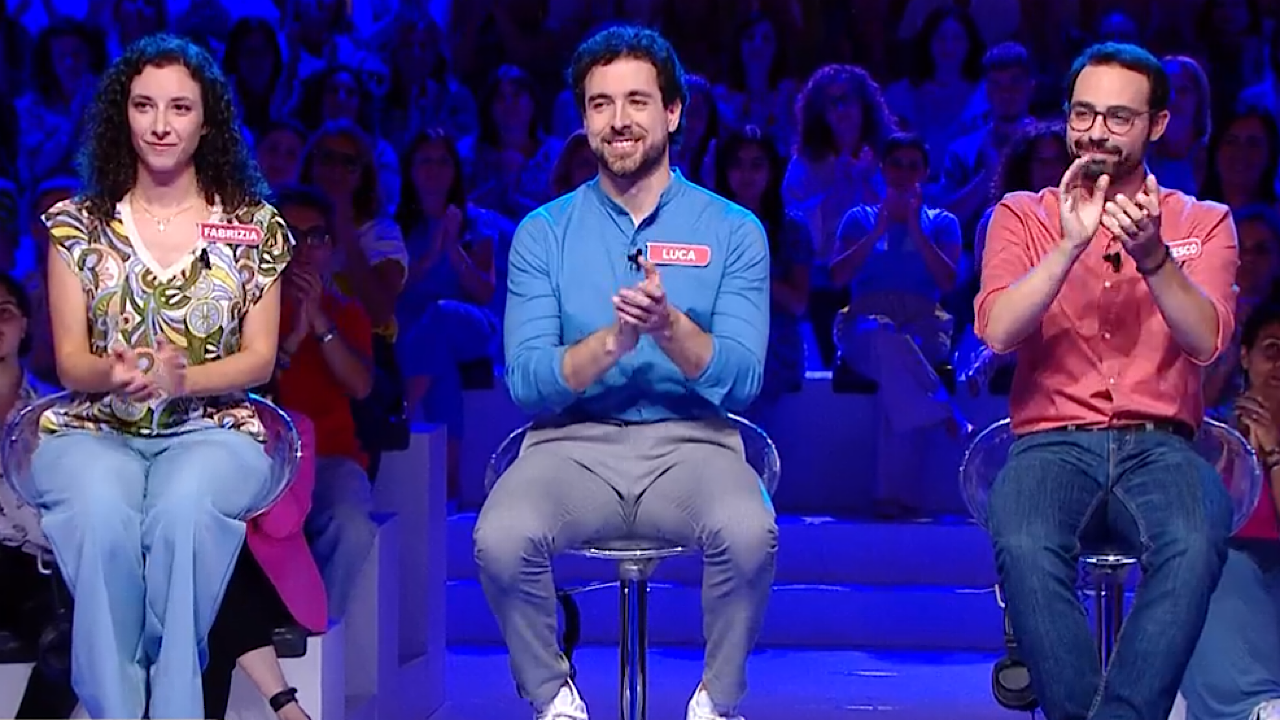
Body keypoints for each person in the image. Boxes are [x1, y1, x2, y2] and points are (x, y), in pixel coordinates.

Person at [473, 25, 777, 720]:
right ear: (583, 120)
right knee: (499, 538)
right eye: (600, 104)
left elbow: (742, 378)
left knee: (750, 532)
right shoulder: (543, 234)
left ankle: (717, 701)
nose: (618, 120)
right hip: (570, 447)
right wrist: (613, 342)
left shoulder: (734, 231)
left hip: (694, 445)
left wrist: (669, 328)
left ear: (673, 112)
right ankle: (553, 697)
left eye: (637, 101)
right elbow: (527, 382)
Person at [30, 34, 291, 719]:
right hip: (97, 428)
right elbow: (70, 361)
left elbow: (259, 359)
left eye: (179, 107)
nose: (161, 124)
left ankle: (175, 704)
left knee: (183, 512)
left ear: (207, 121)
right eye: (144, 106)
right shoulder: (77, 226)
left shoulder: (254, 228)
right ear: (123, 115)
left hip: (213, 428)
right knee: (99, 514)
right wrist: (114, 373)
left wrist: (183, 381)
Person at [974, 42, 1238, 720]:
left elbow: (1206, 341)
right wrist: (1069, 245)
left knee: (1198, 532)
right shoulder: (1021, 215)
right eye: (1083, 114)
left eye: (1119, 118)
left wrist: (1154, 257)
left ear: (1158, 125)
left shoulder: (1203, 222)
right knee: (1023, 535)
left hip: (1162, 445)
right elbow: (998, 331)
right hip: (1050, 442)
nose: (1096, 132)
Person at [1178, 301, 1280, 720]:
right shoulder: (1214, 438)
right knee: (1209, 564)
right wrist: (1236, 452)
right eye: (1272, 350)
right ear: (1246, 356)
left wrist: (1274, 451)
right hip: (1227, 581)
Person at [0, 271, 78, 719]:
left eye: (4, 312)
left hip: (32, 562)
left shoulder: (56, 413)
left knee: (73, 651)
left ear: (24, 324)